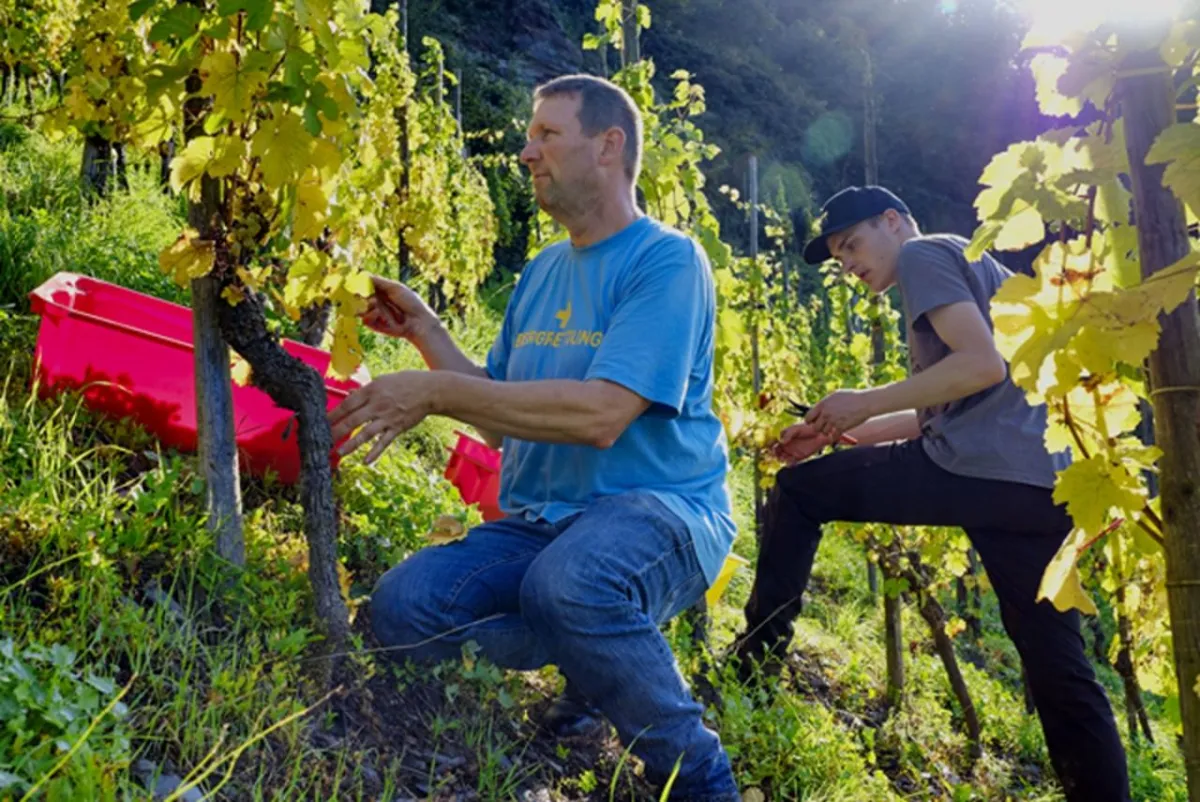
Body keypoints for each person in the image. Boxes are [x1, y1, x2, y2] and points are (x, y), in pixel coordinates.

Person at [329, 74, 741, 802]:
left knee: (572, 583)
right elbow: (497, 413)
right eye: (530, 135)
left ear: (608, 146)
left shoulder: (667, 260)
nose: (527, 152)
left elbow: (602, 415)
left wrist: (434, 393)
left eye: (547, 134)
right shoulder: (544, 270)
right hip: (544, 526)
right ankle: (595, 662)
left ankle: (700, 778)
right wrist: (426, 333)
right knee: (403, 608)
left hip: (662, 514)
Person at [730, 185, 1131, 802]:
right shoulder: (972, 264)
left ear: (894, 221)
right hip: (1037, 486)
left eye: (852, 244)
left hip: (977, 471)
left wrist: (863, 401)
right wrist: (836, 430)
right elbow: (946, 409)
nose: (848, 263)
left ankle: (751, 671)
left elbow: (981, 365)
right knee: (1059, 670)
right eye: (838, 256)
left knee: (799, 493)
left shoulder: (923, 256)